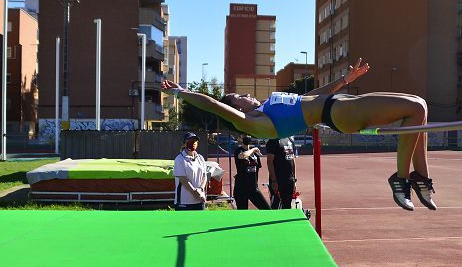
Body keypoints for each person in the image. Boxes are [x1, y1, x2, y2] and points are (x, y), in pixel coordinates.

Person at [162, 58, 436, 211]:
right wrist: (180, 92)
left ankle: (420, 179)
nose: (246, 95)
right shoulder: (254, 122)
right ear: (236, 109)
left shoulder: (271, 106)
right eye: (240, 97)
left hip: (336, 104)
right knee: (413, 108)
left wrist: (344, 80)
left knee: (419, 107)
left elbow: (310, 98)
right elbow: (212, 104)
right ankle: (400, 179)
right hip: (337, 112)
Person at [232, 135, 271, 210]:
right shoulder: (238, 150)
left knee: (267, 209)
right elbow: (242, 156)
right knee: (243, 214)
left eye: (248, 135)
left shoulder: (255, 154)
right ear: (240, 139)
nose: (247, 137)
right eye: (244, 136)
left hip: (253, 188)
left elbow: (257, 169)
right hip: (241, 188)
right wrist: (253, 149)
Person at [173, 131, 207, 210]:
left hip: (199, 200)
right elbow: (183, 180)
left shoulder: (200, 158)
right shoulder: (179, 159)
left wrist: (201, 189)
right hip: (184, 202)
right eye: (190, 141)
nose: (193, 143)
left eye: (195, 141)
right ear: (184, 143)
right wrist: (195, 193)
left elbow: (204, 176)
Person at [265, 136, 297, 209]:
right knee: (275, 206)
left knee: (287, 206)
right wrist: (274, 181)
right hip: (278, 180)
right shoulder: (273, 141)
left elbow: (292, 160)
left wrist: (294, 179)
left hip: (289, 180)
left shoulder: (290, 140)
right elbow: (269, 162)